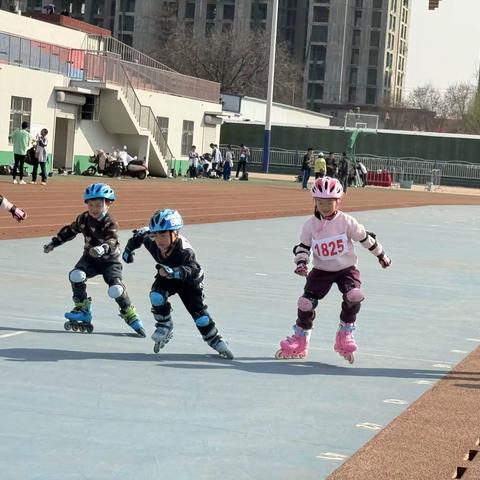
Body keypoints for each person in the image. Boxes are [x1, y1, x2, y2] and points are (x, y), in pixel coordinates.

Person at [275, 176, 391, 364]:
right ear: (315, 201)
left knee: (354, 295)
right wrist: (301, 263)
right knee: (306, 303)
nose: (325, 206)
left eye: (330, 202)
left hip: (346, 269)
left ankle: (345, 333)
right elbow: (303, 247)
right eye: (321, 202)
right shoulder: (310, 225)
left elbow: (365, 238)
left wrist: (381, 255)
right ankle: (300, 339)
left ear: (338, 201)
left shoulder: (347, 222)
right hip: (321, 270)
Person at [122, 208, 234, 359]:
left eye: (163, 235)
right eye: (156, 235)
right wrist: (129, 250)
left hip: (190, 282)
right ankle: (164, 324)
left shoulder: (184, 250)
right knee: (156, 296)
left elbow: (194, 269)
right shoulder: (153, 240)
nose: (159, 240)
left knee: (201, 317)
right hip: (168, 276)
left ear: (175, 233)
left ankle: (214, 338)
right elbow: (140, 235)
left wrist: (174, 272)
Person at [43, 183, 145, 336]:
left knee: (115, 289)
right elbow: (70, 231)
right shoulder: (83, 218)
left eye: (98, 204)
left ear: (108, 204)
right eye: (91, 204)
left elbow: (112, 239)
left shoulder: (110, 221)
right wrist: (54, 242)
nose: (94, 209)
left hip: (110, 261)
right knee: (76, 275)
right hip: (90, 258)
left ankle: (128, 311)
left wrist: (103, 248)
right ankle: (82, 308)